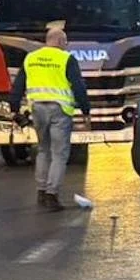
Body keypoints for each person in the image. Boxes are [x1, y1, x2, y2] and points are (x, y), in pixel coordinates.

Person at [9, 22, 92, 211]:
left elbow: (18, 85)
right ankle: (52, 195)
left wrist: (14, 108)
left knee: (43, 150)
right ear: (61, 41)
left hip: (37, 109)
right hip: (60, 110)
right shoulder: (66, 59)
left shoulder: (31, 58)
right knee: (59, 154)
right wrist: (86, 110)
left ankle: (41, 191)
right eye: (65, 42)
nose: (66, 45)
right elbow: (78, 86)